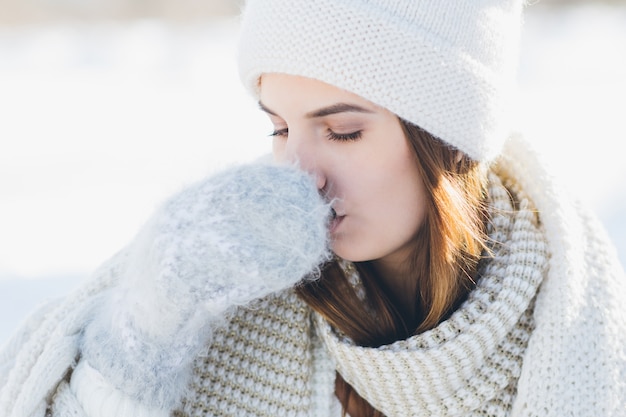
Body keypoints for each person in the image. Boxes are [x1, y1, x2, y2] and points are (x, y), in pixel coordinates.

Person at [1, 0, 625, 416]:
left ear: (449, 143)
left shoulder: (581, 335)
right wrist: (145, 332)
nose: (300, 174)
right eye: (279, 129)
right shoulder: (233, 292)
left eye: (344, 132)